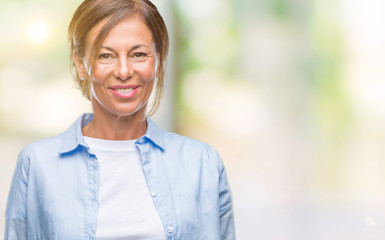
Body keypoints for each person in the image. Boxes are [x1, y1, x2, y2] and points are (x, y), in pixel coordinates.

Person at [4, 0, 236, 239]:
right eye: (106, 55)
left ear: (158, 58)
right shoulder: (37, 165)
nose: (124, 71)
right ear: (80, 62)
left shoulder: (203, 164)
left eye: (139, 54)